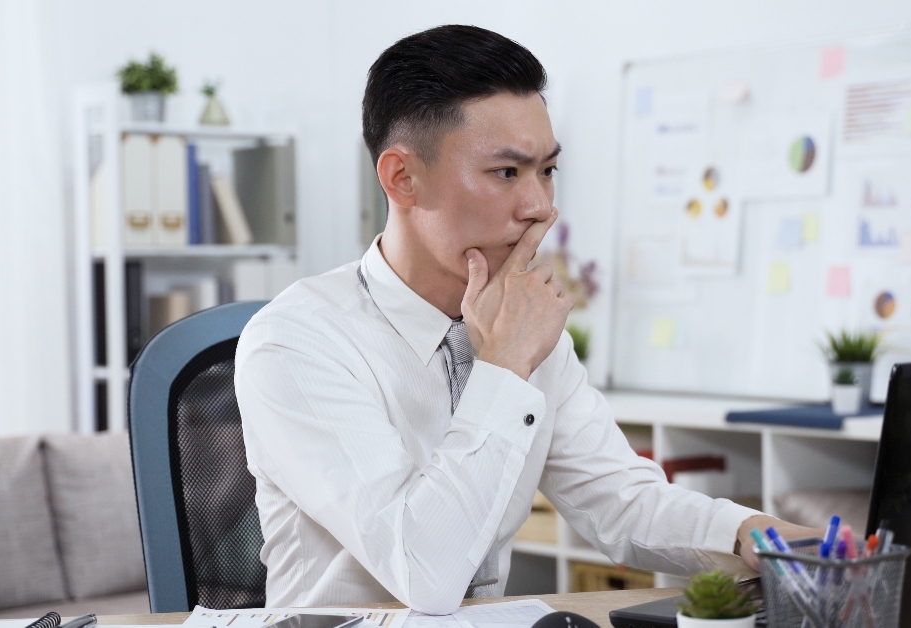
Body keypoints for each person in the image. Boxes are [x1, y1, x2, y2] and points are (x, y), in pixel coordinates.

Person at [235, 24, 817, 615]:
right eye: (507, 173)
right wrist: (504, 365)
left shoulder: (523, 326)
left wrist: (752, 535)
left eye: (547, 171)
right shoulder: (297, 342)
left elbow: (618, 497)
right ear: (402, 179)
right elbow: (425, 573)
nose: (541, 207)